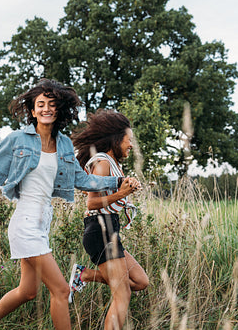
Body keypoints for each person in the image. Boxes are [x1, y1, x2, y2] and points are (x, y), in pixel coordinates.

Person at [0, 79, 131, 330]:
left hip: (43, 220)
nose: (46, 109)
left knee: (27, 291)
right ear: (32, 111)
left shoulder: (63, 143)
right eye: (40, 104)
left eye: (51, 104)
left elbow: (80, 179)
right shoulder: (17, 139)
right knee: (62, 290)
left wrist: (117, 181)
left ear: (58, 110)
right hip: (25, 221)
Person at [70, 109, 149, 329]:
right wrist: (123, 193)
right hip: (100, 229)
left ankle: (84, 275)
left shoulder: (113, 164)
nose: (131, 145)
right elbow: (91, 203)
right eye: (128, 140)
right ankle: (83, 276)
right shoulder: (102, 162)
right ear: (116, 139)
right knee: (122, 294)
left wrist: (126, 189)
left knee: (140, 282)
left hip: (110, 229)